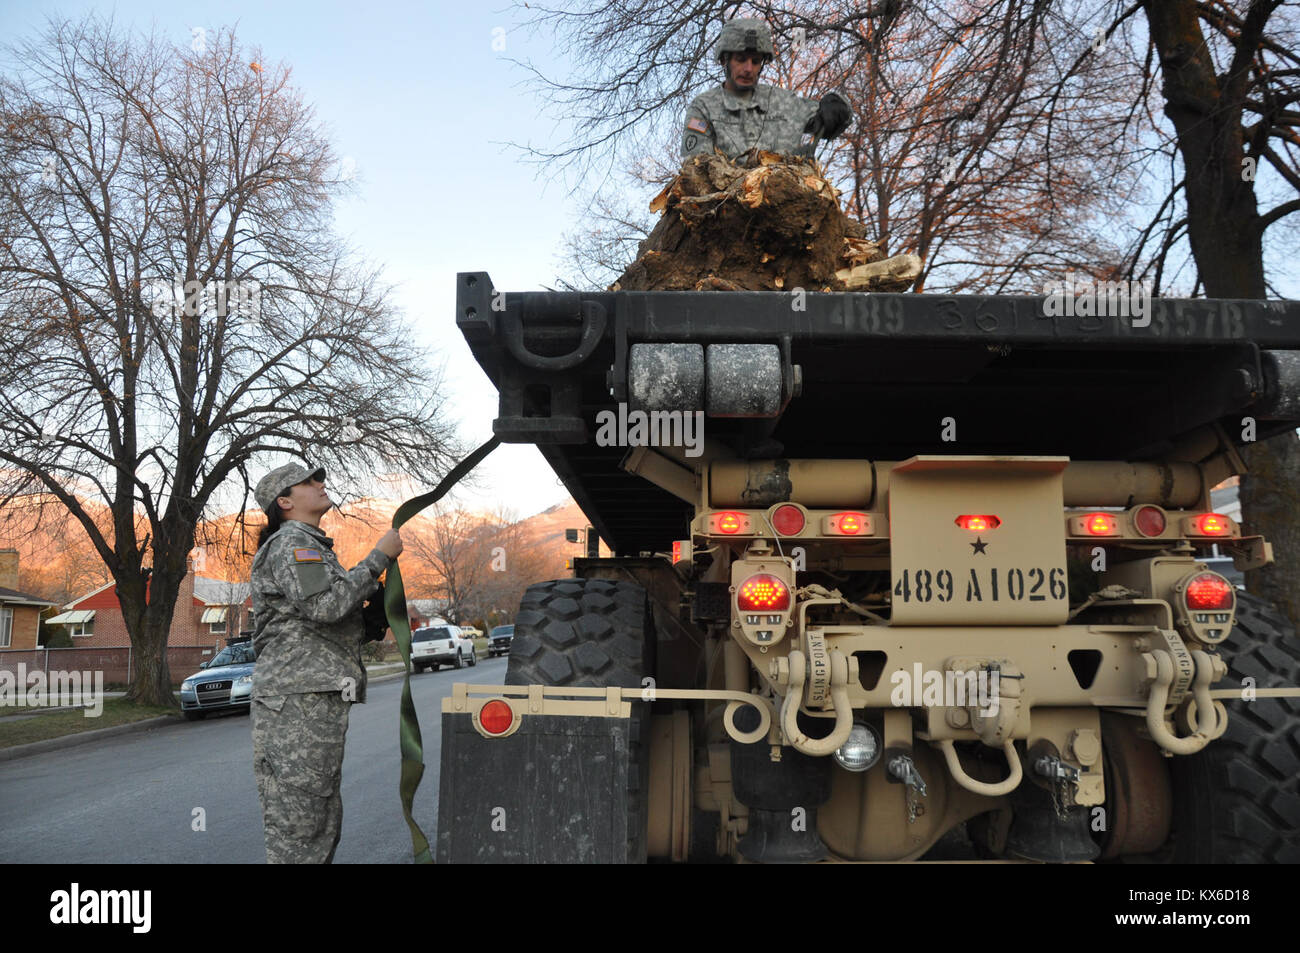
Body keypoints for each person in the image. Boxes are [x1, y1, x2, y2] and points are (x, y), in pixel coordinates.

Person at [248, 461, 403, 864]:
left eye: (319, 478)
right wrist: (377, 560)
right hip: (296, 699)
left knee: (319, 815)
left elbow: (321, 619)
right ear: (284, 501)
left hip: (311, 696)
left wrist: (366, 620)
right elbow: (324, 605)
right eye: (308, 481)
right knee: (300, 822)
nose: (320, 484)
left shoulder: (312, 546)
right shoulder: (292, 545)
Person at [682, 18, 853, 161]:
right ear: (724, 60)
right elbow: (697, 168)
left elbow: (833, 119)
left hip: (791, 199)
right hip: (726, 200)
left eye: (755, 61)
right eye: (741, 60)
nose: (748, 68)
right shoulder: (705, 107)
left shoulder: (786, 103)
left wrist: (838, 106)